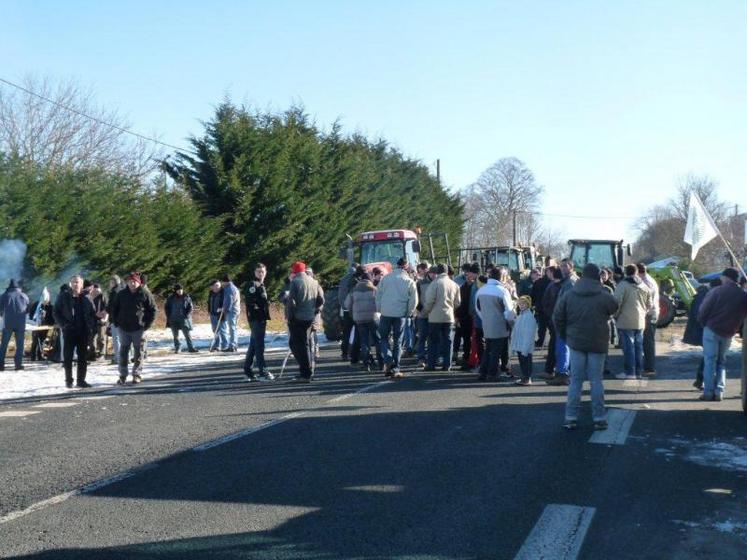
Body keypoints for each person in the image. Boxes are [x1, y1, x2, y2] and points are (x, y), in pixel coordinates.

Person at [553, 263, 619, 430]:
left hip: (576, 342)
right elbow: (615, 307)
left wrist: (565, 335)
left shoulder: (569, 294)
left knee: (575, 381)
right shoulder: (604, 294)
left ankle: (570, 417)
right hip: (598, 342)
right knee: (596, 381)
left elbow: (558, 316)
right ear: (598, 277)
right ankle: (599, 418)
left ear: (582, 276)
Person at [697, 267, 747, 401]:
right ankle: (719, 391)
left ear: (726, 277)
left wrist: (703, 323)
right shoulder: (743, 295)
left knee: (709, 361)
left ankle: (708, 392)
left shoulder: (716, 291)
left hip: (712, 329)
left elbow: (703, 310)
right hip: (729, 332)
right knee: (721, 362)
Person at [111, 272, 157, 384]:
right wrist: (116, 322)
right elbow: (114, 309)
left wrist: (147, 325)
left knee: (139, 352)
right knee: (123, 352)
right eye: (130, 281)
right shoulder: (121, 294)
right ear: (127, 282)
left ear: (139, 282)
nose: (132, 283)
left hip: (139, 328)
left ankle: (136, 374)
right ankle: (122, 375)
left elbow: (153, 310)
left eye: (134, 281)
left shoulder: (145, 293)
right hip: (124, 328)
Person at [376, 257, 418, 378]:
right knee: (398, 341)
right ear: (406, 267)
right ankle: (396, 367)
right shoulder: (409, 281)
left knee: (383, 338)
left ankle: (388, 359)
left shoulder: (385, 279)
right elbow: (414, 300)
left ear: (396, 266)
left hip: (386, 313)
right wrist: (408, 312)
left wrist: (380, 309)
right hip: (400, 315)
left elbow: (378, 295)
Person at [53, 275, 97, 388]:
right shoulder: (63, 296)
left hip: (83, 332)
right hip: (69, 331)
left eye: (77, 282)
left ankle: (81, 381)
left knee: (82, 357)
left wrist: (91, 327)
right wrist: (64, 324)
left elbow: (92, 314)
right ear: (70, 284)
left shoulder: (87, 298)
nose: (75, 284)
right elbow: (56, 312)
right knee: (68, 357)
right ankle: (68, 380)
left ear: (82, 284)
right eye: (73, 282)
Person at [286, 261, 324, 382]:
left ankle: (305, 373)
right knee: (305, 345)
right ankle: (307, 371)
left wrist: (290, 316)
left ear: (294, 271)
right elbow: (321, 300)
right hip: (310, 317)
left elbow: (291, 302)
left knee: (295, 345)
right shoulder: (314, 281)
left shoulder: (295, 282)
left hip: (297, 318)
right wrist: (314, 309)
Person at [476, 268, 515, 381]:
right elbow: (509, 311)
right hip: (500, 324)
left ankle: (483, 372)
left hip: (487, 324)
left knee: (488, 349)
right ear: (501, 277)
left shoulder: (481, 290)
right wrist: (512, 323)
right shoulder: (502, 290)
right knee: (496, 351)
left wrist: (485, 318)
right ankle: (492, 373)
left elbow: (477, 308)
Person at [614, 264, 652, 380]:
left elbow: (617, 302)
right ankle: (638, 372)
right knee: (638, 347)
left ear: (626, 272)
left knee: (629, 348)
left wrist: (616, 315)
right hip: (640, 321)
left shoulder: (623, 285)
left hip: (625, 320)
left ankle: (630, 372)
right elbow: (649, 305)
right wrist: (643, 312)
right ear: (636, 272)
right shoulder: (645, 286)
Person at [423, 263, 460, 373]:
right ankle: (447, 364)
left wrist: (427, 311)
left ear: (437, 272)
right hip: (449, 316)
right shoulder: (454, 285)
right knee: (448, 341)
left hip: (435, 317)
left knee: (433, 341)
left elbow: (429, 301)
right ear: (447, 271)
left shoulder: (434, 284)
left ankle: (431, 364)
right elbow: (458, 302)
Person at [546, 259, 578, 385]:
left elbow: (570, 303)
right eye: (561, 266)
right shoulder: (567, 281)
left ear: (571, 267)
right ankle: (562, 372)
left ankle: (563, 374)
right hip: (563, 320)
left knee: (563, 347)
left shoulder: (571, 282)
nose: (562, 268)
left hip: (566, 320)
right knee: (562, 347)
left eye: (566, 266)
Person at [345, 272, 382, 372]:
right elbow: (379, 304)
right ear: (370, 280)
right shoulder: (374, 289)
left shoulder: (354, 290)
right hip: (373, 318)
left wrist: (353, 314)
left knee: (364, 342)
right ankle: (381, 362)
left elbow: (347, 304)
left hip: (359, 319)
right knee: (378, 340)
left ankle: (367, 364)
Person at [243, 263, 274, 381]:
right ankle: (263, 371)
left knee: (253, 345)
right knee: (259, 345)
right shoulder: (253, 284)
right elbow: (251, 303)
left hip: (260, 319)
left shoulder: (261, 285)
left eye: (262, 271)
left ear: (265, 272)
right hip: (256, 319)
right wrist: (258, 313)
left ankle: (248, 371)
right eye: (258, 271)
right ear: (254, 273)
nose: (261, 273)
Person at [683, 281, 715, 389]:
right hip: (702, 329)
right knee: (709, 356)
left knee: (708, 355)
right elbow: (699, 314)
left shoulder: (703, 294)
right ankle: (701, 379)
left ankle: (700, 380)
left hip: (701, 329)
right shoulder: (703, 295)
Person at [0, 279, 29, 371]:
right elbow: (27, 310)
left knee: (4, 344)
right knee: (20, 345)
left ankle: (1, 365)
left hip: (8, 323)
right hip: (21, 324)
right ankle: (18, 365)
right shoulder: (24, 296)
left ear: (9, 286)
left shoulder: (4, 295)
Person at [637, 263, 659, 377]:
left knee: (648, 342)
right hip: (652, 313)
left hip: (649, 314)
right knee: (648, 341)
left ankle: (649, 367)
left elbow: (647, 301)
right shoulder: (650, 280)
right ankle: (648, 366)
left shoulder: (646, 283)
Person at [541, 267, 563, 380]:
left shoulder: (551, 286)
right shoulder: (565, 287)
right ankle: (558, 369)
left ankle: (550, 369)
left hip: (553, 319)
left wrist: (550, 315)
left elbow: (545, 302)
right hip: (562, 320)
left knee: (554, 344)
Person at [454, 263, 477, 369]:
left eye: (470, 275)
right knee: (466, 339)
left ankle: (475, 359)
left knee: (476, 339)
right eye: (467, 275)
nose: (469, 277)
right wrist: (457, 317)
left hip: (474, 316)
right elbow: (458, 304)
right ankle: (466, 358)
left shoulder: (476, 287)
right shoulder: (462, 287)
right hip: (464, 317)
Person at [510, 295, 538, 385]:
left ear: (528, 305)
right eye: (520, 304)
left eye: (523, 304)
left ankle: (527, 378)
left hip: (524, 345)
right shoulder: (521, 315)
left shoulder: (529, 316)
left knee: (526, 361)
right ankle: (524, 377)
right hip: (520, 344)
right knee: (522, 361)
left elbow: (529, 334)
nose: (521, 306)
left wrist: (525, 348)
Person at [165, 283, 197, 354]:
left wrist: (187, 315)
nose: (180, 291)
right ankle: (178, 348)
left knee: (187, 334)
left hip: (183, 318)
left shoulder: (186, 297)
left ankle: (191, 347)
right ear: (175, 291)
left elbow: (190, 307)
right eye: (178, 290)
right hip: (173, 319)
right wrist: (168, 316)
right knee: (175, 335)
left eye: (181, 289)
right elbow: (166, 307)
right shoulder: (171, 298)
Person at [338, 264, 360, 363]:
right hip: (355, 309)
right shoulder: (356, 279)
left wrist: (343, 306)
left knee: (346, 332)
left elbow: (340, 294)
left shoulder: (343, 279)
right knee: (358, 332)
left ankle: (344, 353)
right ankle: (355, 353)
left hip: (346, 310)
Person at [28, 288, 54, 361]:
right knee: (35, 341)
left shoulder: (50, 306)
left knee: (42, 341)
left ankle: (40, 356)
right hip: (36, 325)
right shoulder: (36, 305)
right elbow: (31, 315)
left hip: (45, 326)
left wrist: (50, 323)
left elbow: (52, 316)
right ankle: (33, 356)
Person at [414, 262, 432, 368]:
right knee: (422, 337)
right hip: (422, 315)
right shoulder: (419, 283)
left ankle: (429, 357)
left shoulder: (436, 283)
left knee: (431, 338)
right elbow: (416, 298)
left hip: (432, 315)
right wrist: (421, 309)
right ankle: (421, 358)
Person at [106, 275, 124, 364]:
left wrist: (106, 310)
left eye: (111, 282)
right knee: (123, 339)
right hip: (122, 319)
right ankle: (126, 357)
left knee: (116, 339)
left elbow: (112, 306)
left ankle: (118, 358)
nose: (110, 284)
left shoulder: (115, 292)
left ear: (114, 282)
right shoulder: (122, 290)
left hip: (116, 319)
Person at [530, 268, 550, 347]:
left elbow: (532, 295)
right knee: (550, 327)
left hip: (540, 307)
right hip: (549, 307)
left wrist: (533, 305)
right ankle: (551, 341)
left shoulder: (537, 282)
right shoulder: (552, 282)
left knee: (542, 326)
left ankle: (540, 341)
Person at [88, 283, 108, 360]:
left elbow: (107, 308)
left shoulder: (103, 297)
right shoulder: (92, 297)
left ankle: (102, 354)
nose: (96, 291)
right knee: (92, 338)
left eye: (97, 289)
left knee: (101, 338)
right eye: (94, 289)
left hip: (102, 320)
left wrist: (105, 318)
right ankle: (92, 353)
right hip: (94, 320)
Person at [221, 274, 241, 352]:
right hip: (236, 310)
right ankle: (234, 344)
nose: (222, 284)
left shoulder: (229, 289)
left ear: (226, 282)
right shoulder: (234, 288)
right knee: (234, 328)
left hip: (232, 311)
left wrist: (225, 310)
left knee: (232, 328)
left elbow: (229, 300)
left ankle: (232, 345)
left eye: (223, 282)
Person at [207, 280, 228, 351]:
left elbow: (226, 302)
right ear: (212, 287)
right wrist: (209, 311)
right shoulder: (211, 293)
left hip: (221, 314)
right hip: (213, 314)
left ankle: (225, 345)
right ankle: (217, 345)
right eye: (215, 285)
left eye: (218, 285)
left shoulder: (223, 292)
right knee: (215, 331)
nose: (217, 287)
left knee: (222, 330)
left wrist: (222, 308)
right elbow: (209, 302)